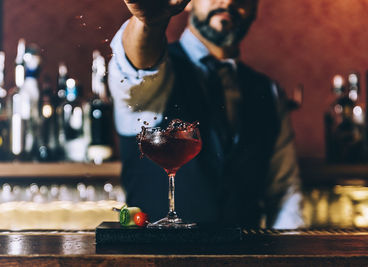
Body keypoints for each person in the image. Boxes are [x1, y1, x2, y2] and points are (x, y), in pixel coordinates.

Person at [108, 0, 304, 228]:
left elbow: (285, 194)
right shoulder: (158, 69)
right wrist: (148, 24)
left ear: (255, 9)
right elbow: (136, 70)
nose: (229, 1)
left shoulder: (269, 92)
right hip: (156, 260)